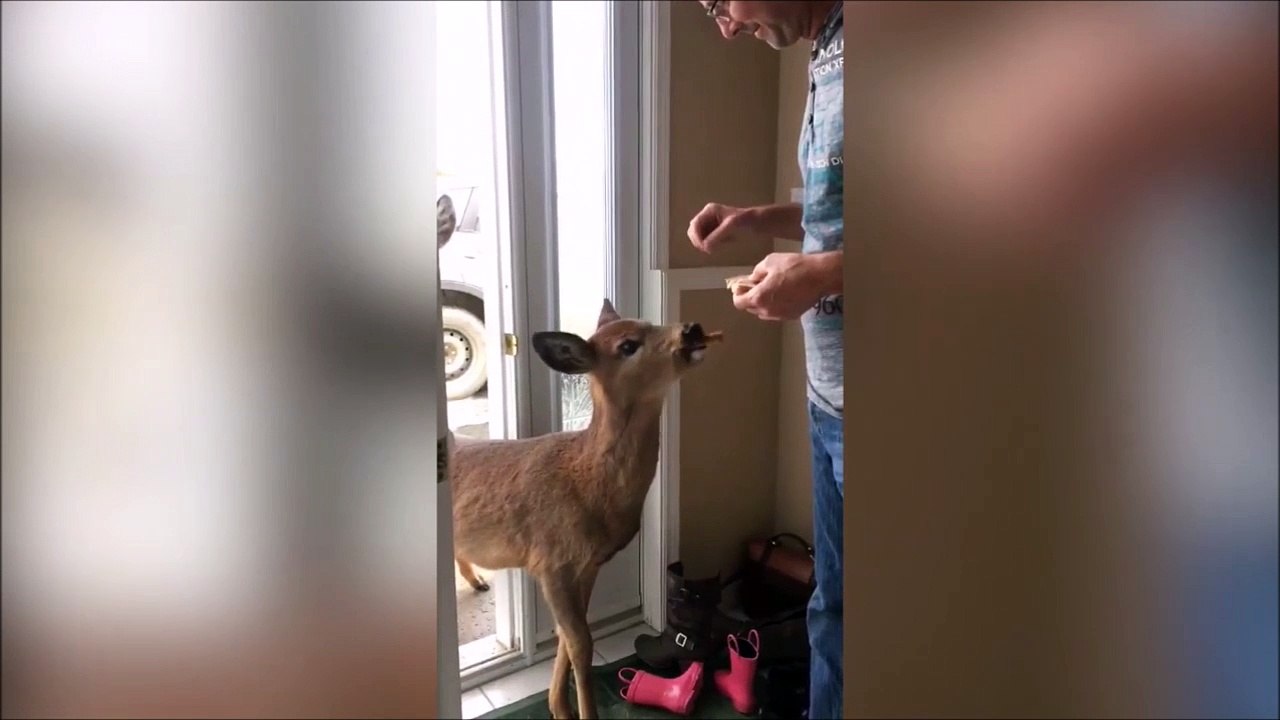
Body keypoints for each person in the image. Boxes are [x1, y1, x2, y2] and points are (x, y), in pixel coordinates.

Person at [688, 2, 844, 718]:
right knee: (834, 611)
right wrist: (755, 220)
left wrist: (821, 273)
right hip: (830, 397)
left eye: (721, 2)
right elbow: (837, 210)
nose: (723, 26)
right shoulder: (826, 50)